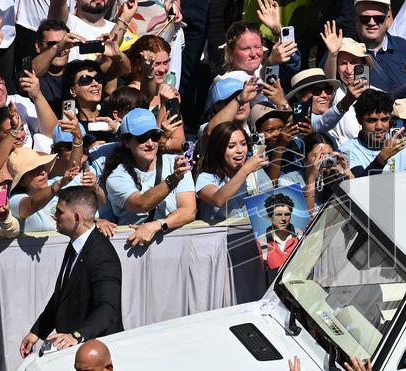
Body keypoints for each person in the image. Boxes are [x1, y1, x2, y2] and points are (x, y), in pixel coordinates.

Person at [20, 186, 122, 357]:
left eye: (59, 212)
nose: (55, 216)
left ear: (76, 218)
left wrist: (77, 336)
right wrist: (37, 331)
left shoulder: (103, 255)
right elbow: (62, 295)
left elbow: (108, 308)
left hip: (95, 352)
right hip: (75, 348)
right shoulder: (75, 244)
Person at [102, 107, 196, 246]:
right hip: (131, 250)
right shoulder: (116, 177)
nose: (150, 143)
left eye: (155, 136)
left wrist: (157, 225)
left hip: (172, 250)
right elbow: (142, 204)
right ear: (127, 141)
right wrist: (173, 179)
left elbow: (189, 211)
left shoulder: (176, 163)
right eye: (142, 138)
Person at [194, 121, 271, 221]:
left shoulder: (255, 171)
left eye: (243, 144)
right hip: (220, 235)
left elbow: (272, 200)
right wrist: (245, 171)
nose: (240, 150)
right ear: (218, 149)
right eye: (231, 146)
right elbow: (217, 199)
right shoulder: (205, 177)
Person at [348, 0, 406, 97]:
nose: (372, 23)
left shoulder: (404, 47)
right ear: (355, 18)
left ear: (387, 18)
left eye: (379, 18)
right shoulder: (344, 50)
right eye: (365, 18)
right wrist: (333, 56)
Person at [339, 89, 406, 176]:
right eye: (372, 120)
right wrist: (382, 158)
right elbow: (360, 185)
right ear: (359, 119)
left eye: (384, 120)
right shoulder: (347, 150)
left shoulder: (404, 145)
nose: (379, 127)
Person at [259, 192, 303, 270]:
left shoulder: (301, 237)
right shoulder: (261, 243)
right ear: (270, 217)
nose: (283, 219)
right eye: (278, 214)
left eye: (287, 214)